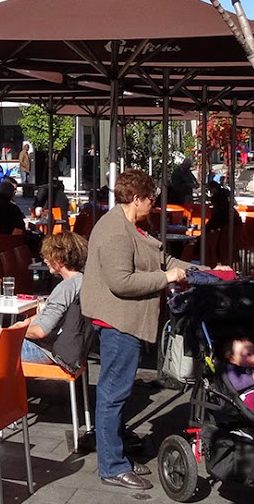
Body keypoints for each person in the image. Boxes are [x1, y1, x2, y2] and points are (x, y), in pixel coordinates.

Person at [84, 168, 195, 490]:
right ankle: (112, 466)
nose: (154, 205)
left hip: (126, 320)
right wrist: (166, 279)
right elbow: (122, 282)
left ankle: (116, 456)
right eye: (151, 199)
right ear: (137, 199)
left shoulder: (132, 226)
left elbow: (164, 261)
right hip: (118, 321)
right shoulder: (116, 231)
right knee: (113, 394)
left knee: (117, 393)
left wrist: (202, 271)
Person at [0, 232, 89, 371]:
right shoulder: (82, 281)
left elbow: (40, 331)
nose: (45, 260)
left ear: (59, 258)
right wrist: (31, 319)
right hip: (56, 348)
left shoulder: (64, 288)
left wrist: (16, 331)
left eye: (48, 255)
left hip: (40, 350)